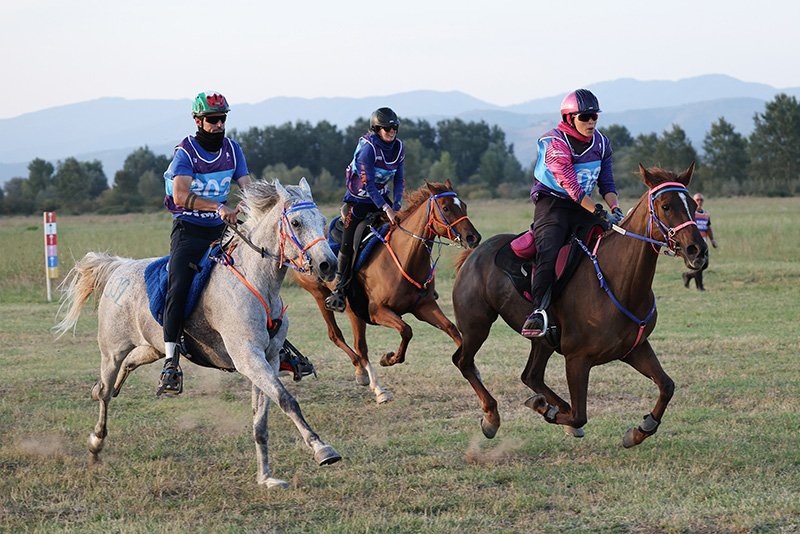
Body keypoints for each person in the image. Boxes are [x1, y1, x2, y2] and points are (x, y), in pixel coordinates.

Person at [158, 90, 252, 395]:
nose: (219, 124)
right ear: (198, 120)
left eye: (222, 118)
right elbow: (180, 196)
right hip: (190, 231)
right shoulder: (185, 153)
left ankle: (280, 346)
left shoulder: (234, 151)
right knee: (179, 285)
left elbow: (248, 188)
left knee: (254, 277)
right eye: (212, 119)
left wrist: (252, 206)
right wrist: (218, 207)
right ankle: (171, 362)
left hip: (222, 231)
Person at [521, 89, 623, 338]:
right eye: (585, 117)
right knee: (549, 250)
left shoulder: (602, 143)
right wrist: (598, 211)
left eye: (594, 117)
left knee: (610, 241)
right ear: (569, 118)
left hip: (583, 206)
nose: (591, 122)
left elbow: (607, 184)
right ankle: (538, 312)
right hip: (553, 204)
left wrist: (616, 210)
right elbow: (571, 186)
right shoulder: (555, 143)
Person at [324, 107, 405, 313]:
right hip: (358, 201)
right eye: (387, 128)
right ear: (377, 129)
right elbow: (368, 185)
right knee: (350, 241)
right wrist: (387, 209)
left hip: (383, 199)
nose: (391, 131)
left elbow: (399, 179)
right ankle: (339, 290)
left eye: (394, 127)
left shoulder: (399, 148)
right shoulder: (368, 149)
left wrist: (396, 206)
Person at [682, 192, 717, 291]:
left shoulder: (706, 214)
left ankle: (688, 275)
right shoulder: (691, 214)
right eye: (697, 200)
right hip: (695, 244)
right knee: (698, 265)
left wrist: (712, 240)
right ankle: (700, 287)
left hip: (704, 243)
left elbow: (708, 228)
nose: (699, 202)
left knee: (704, 265)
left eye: (701, 200)